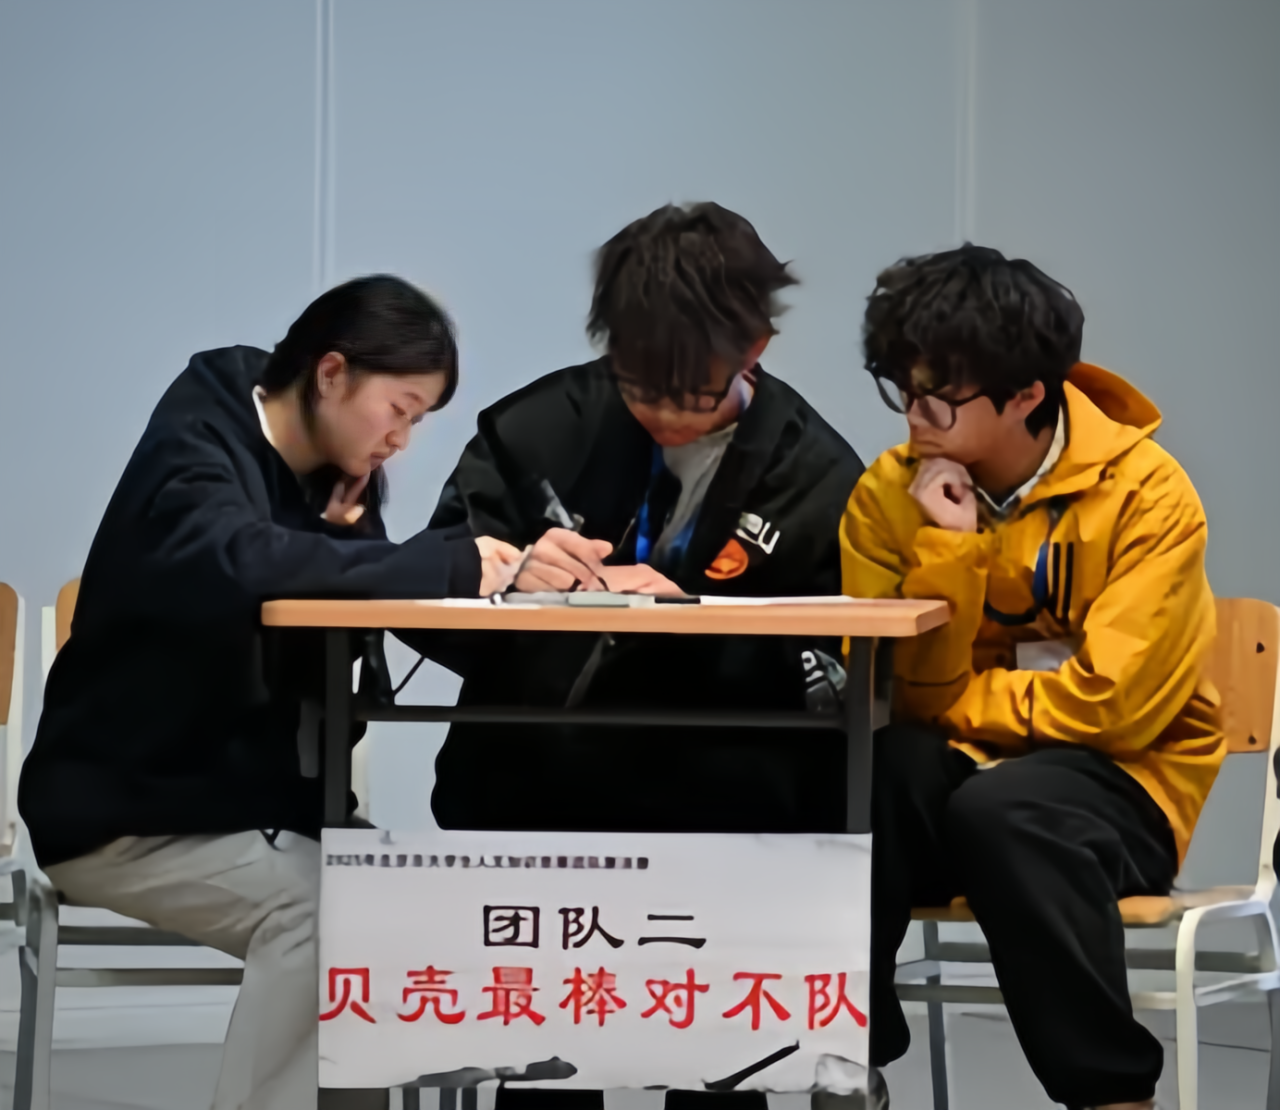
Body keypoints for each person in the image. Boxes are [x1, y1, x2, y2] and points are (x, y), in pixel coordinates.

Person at [18, 275, 521, 1110]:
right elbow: (241, 561)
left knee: (414, 896)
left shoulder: (337, 473)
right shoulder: (202, 432)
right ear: (331, 373)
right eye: (399, 410)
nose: (401, 439)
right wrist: (440, 562)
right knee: (326, 915)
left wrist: (518, 580)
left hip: (260, 808)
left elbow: (361, 595)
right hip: (131, 813)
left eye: (418, 420)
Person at [416, 203, 865, 1109]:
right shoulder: (537, 429)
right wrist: (510, 576)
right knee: (546, 1055)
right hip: (539, 786)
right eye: (636, 385)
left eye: (689, 393)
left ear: (754, 350)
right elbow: (427, 588)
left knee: (714, 1050)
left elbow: (838, 667)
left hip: (724, 799)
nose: (660, 412)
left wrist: (705, 619)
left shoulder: (817, 473)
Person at [841, 245, 1225, 1110]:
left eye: (938, 396)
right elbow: (893, 694)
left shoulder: (1147, 494)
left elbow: (1113, 707)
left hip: (1122, 788)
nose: (914, 417)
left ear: (1025, 396)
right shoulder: (888, 496)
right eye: (900, 389)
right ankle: (844, 1055)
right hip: (959, 779)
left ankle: (1111, 1094)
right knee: (874, 770)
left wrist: (959, 701)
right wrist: (946, 550)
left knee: (1005, 808)